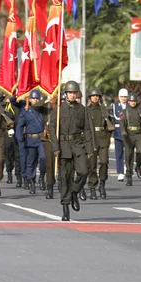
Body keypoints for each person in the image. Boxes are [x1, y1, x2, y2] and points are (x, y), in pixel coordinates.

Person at [50, 81, 95, 221]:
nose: (72, 95)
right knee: (65, 178)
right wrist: (55, 148)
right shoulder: (58, 110)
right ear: (65, 94)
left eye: (74, 93)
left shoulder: (82, 110)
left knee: (83, 171)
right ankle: (65, 208)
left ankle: (75, 192)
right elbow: (52, 129)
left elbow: (88, 129)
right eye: (70, 93)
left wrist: (90, 148)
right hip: (63, 146)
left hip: (77, 144)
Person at [16, 90, 45, 194]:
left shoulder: (43, 110)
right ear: (30, 99)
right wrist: (19, 136)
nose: (36, 100)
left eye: (37, 98)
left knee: (43, 158)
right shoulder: (26, 111)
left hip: (41, 139)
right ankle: (31, 181)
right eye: (33, 98)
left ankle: (42, 176)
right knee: (30, 162)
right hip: (30, 139)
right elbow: (20, 125)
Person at [86, 87, 113, 199]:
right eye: (93, 96)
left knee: (104, 162)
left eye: (97, 96)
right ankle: (92, 188)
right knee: (92, 165)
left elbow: (110, 125)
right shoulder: (86, 111)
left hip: (102, 138)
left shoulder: (104, 110)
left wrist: (107, 138)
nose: (95, 97)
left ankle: (102, 184)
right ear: (90, 98)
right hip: (91, 140)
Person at [120, 92, 141, 187]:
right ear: (128, 102)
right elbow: (122, 123)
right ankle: (129, 176)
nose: (133, 103)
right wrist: (123, 132)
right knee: (129, 156)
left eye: (134, 101)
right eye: (131, 101)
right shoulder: (124, 111)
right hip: (128, 135)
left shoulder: (140, 110)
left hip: (139, 134)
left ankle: (138, 166)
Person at [109, 89, 128, 181]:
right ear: (119, 97)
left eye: (125, 97)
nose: (123, 98)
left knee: (129, 153)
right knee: (119, 153)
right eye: (122, 97)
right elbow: (112, 120)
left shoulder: (130, 106)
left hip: (128, 132)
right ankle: (120, 172)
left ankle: (128, 169)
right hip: (118, 131)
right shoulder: (114, 106)